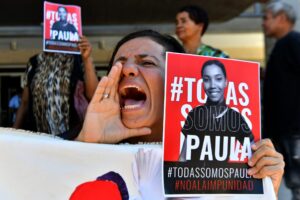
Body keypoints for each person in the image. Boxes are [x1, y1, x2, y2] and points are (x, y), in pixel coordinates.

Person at [76, 30, 284, 196]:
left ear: (177, 82)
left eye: (147, 62)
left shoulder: (215, 146)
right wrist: (88, 145)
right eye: (118, 64)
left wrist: (264, 187)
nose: (126, 69)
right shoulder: (82, 142)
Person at [13, 36, 98, 139]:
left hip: (73, 137)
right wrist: (14, 133)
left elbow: (93, 96)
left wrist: (87, 59)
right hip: (40, 138)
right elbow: (25, 103)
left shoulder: (78, 59)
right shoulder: (34, 62)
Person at [179, 59, 253, 162]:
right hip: (192, 177)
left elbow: (254, 153)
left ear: (225, 82)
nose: (213, 85)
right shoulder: (195, 113)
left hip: (221, 178)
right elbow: (183, 158)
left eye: (218, 79)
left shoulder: (235, 118)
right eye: (207, 79)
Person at [262, 1, 300, 199]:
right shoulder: (281, 45)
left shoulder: (294, 41)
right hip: (281, 131)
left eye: (266, 17)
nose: (263, 22)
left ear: (282, 18)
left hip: (293, 131)